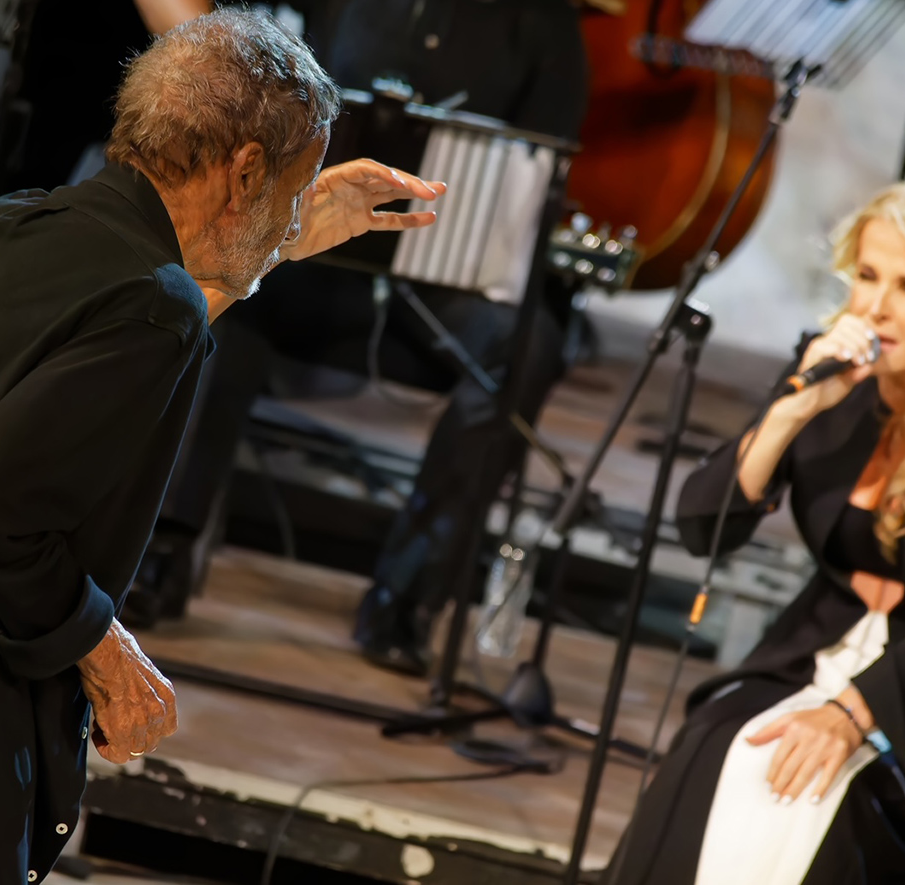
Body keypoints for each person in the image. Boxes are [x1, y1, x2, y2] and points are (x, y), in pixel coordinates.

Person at [0, 10, 443, 885]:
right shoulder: (153, 306)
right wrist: (104, 646)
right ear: (243, 171)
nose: (291, 220)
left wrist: (271, 241)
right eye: (292, 189)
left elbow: (129, 330)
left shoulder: (13, 223)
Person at [607, 177, 905, 885]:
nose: (876, 306)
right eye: (867, 275)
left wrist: (855, 714)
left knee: (832, 797)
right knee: (711, 746)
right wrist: (793, 410)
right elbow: (703, 527)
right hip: (807, 653)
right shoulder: (829, 367)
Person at [137, 0, 591, 677]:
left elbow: (543, 172)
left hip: (438, 278)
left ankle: (407, 597)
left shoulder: (544, 23)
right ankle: (157, 555)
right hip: (307, 253)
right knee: (216, 289)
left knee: (526, 346)